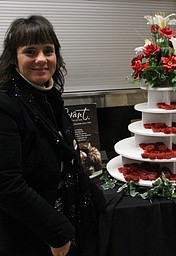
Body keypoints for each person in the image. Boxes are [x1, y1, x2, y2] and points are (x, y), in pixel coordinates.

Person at [0, 15, 106, 256]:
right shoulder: (5, 106)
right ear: (14, 59)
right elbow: (7, 185)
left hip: (63, 211)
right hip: (29, 230)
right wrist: (56, 232)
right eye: (30, 51)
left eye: (48, 50)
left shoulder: (50, 98)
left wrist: (98, 200)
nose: (41, 59)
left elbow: (65, 158)